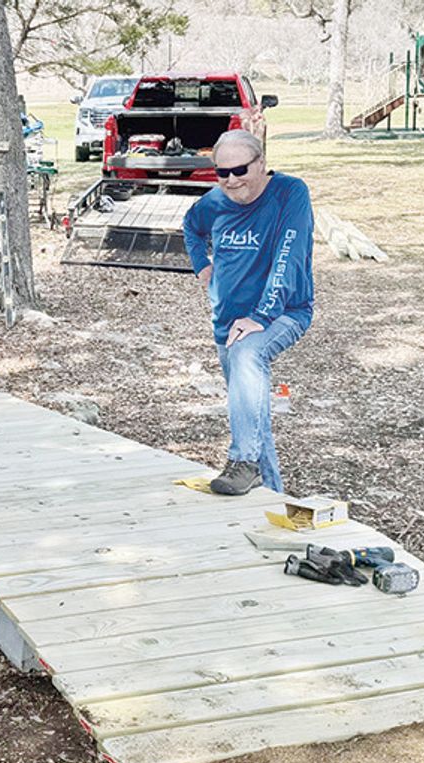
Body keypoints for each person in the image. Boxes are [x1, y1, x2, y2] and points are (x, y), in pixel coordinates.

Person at [183, 130, 314, 496]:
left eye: (240, 170)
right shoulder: (214, 201)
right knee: (251, 416)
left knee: (247, 355)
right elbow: (191, 227)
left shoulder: (290, 193)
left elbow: (288, 258)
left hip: (283, 312)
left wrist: (261, 316)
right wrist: (201, 265)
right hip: (228, 322)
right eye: (222, 172)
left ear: (261, 163)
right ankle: (272, 496)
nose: (231, 180)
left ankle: (243, 461)